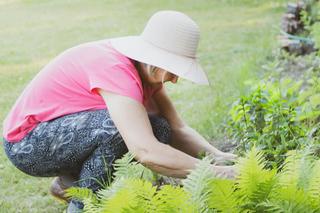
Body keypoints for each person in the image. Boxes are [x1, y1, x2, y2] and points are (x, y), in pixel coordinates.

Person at [2, 10, 237, 212]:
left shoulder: (145, 74)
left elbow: (178, 128)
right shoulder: (116, 70)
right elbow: (146, 151)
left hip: (60, 135)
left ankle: (69, 184)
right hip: (26, 144)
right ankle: (83, 206)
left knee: (159, 127)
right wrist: (216, 173)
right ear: (153, 60)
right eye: (174, 70)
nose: (175, 80)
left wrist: (220, 157)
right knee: (116, 129)